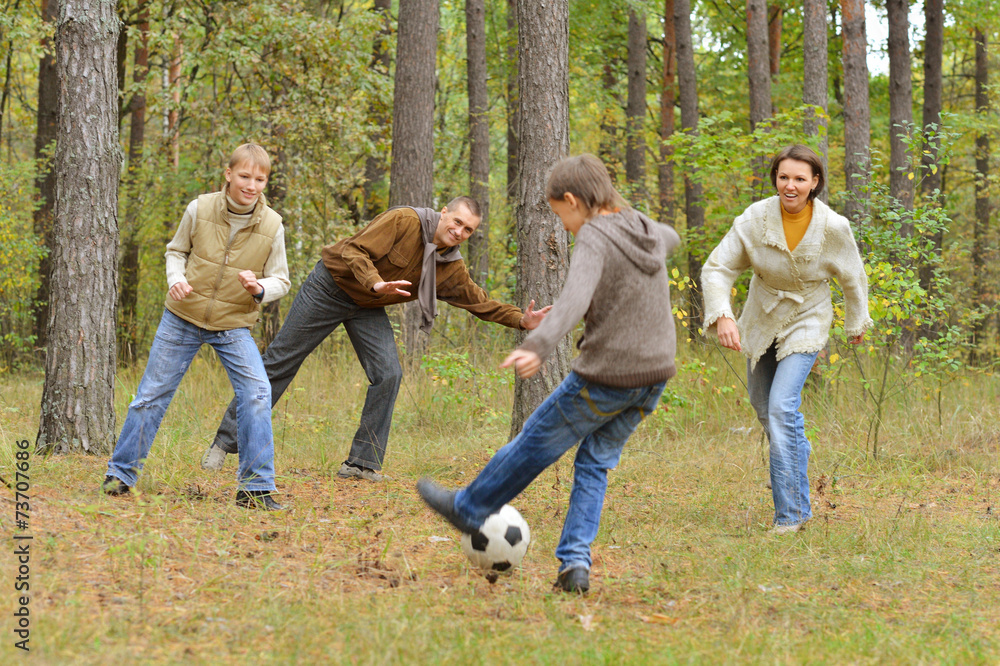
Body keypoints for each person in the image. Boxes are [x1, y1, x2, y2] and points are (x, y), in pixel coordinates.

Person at [417, 154, 679, 594]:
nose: (565, 227)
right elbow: (669, 238)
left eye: (562, 216)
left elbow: (574, 301)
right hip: (654, 375)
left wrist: (537, 344)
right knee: (594, 462)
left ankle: (470, 506)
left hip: (608, 374)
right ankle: (575, 565)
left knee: (535, 440)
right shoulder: (644, 228)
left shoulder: (595, 235)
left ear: (575, 201)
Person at [200, 197, 551, 481]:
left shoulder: (450, 267)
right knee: (280, 361)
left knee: (389, 373)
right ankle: (222, 444)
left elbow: (479, 301)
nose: (459, 231)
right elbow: (354, 251)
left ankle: (360, 464)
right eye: (456, 222)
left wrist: (522, 319)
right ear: (443, 213)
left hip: (367, 306)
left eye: (468, 230)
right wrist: (375, 282)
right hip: (330, 287)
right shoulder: (405, 221)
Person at [103, 143, 291, 510]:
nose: (251, 185)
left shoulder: (273, 225)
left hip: (233, 323)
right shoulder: (200, 208)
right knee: (150, 396)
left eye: (259, 179)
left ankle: (254, 489)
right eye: (244, 176)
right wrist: (175, 277)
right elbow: (176, 250)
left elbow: (281, 280)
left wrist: (259, 289)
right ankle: (120, 476)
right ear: (228, 174)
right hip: (182, 316)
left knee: (256, 394)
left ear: (265, 181)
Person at [701, 144, 872, 534]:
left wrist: (856, 323)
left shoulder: (833, 227)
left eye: (799, 179)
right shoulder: (754, 219)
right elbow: (717, 269)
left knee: (781, 408)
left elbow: (852, 276)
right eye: (783, 177)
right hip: (761, 315)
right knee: (766, 409)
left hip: (809, 315)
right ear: (775, 179)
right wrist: (723, 314)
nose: (790, 186)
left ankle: (790, 517)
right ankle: (796, 469)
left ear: (814, 183)